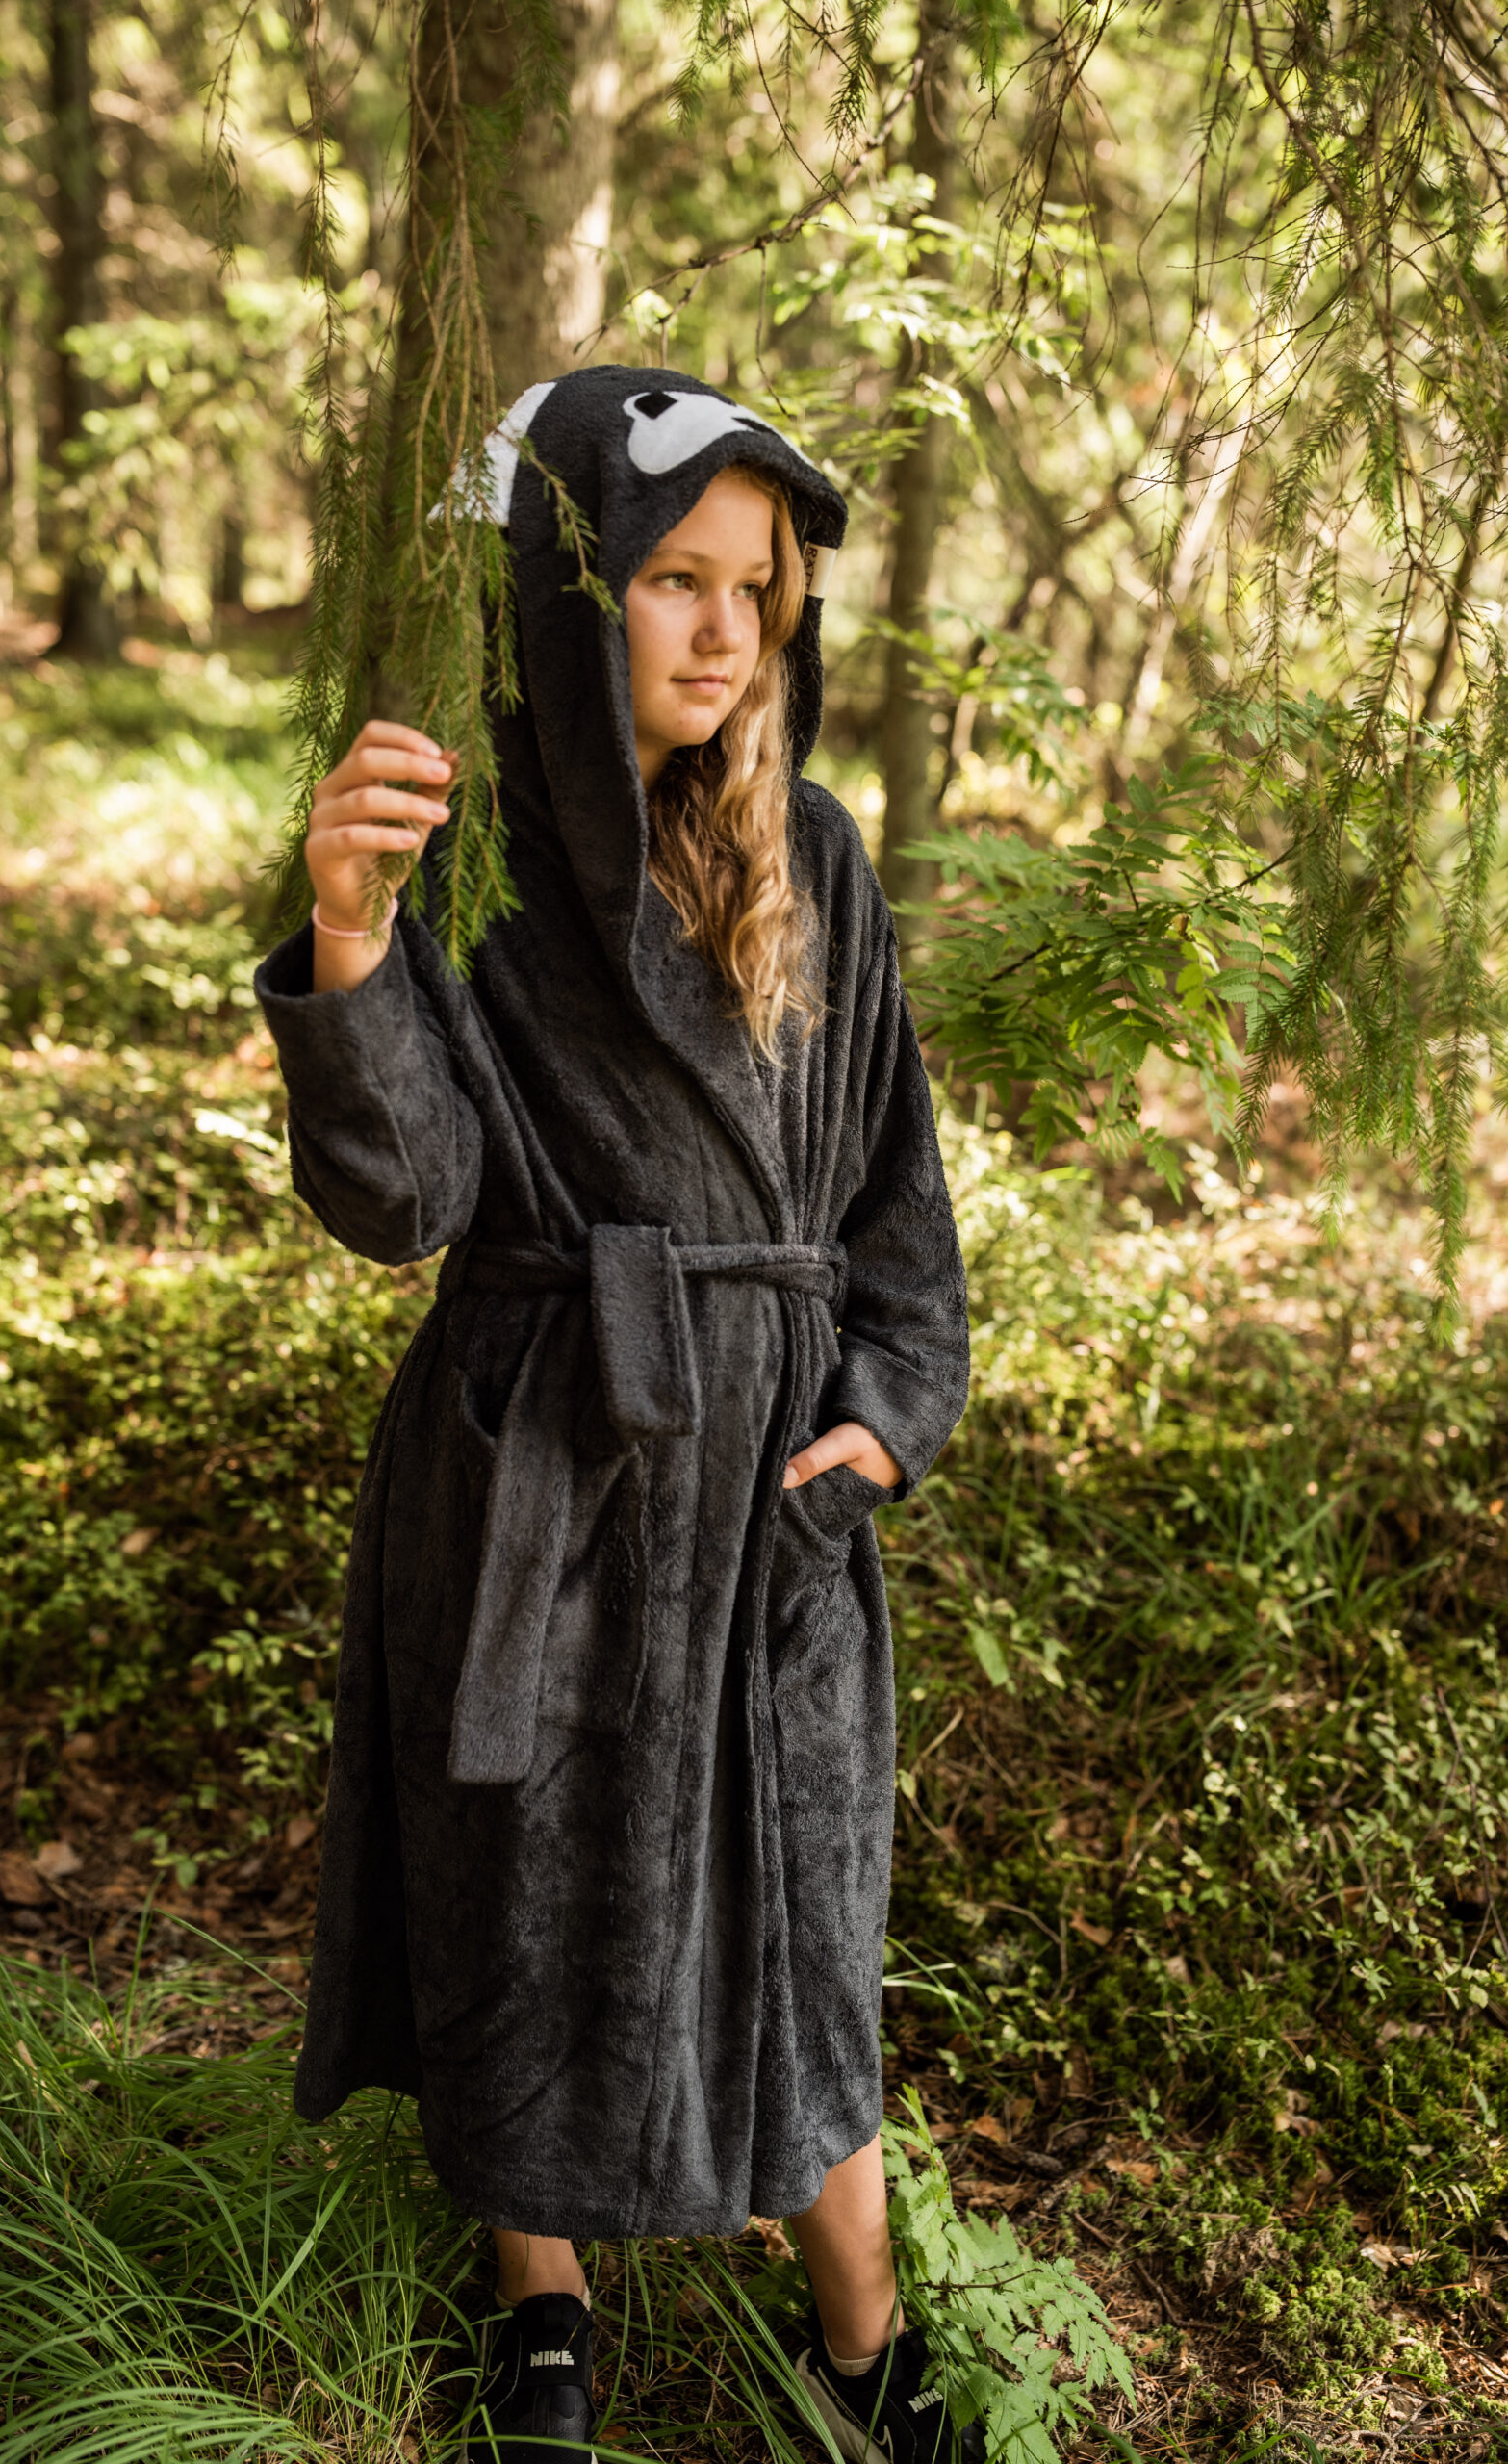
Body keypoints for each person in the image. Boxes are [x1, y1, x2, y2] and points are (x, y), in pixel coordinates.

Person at [255, 367, 975, 2464]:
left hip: (765, 1484)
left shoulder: (810, 851)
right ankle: (543, 2306)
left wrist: (884, 1413)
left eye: (758, 586)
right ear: (566, 589)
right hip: (542, 1468)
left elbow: (895, 1200)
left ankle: (865, 2340)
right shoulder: (463, 846)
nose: (727, 629)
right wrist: (350, 936)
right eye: (674, 577)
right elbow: (406, 1203)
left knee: (801, 1912)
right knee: (526, 1885)